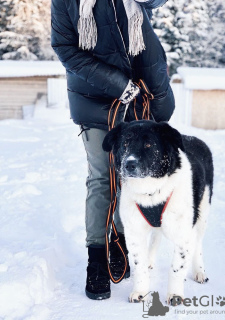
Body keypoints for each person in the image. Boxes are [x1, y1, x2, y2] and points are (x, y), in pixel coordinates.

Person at [51, 0, 175, 300]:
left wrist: (146, 94)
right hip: (92, 97)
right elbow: (65, 48)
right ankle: (96, 260)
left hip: (136, 97)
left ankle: (120, 241)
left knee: (129, 178)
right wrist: (117, 83)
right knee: (101, 177)